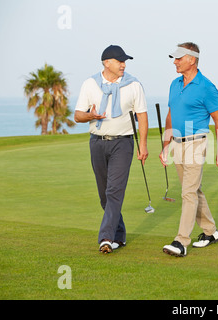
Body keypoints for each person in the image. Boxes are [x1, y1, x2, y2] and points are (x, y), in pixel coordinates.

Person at [74, 45, 149, 254]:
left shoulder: (134, 85)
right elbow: (78, 115)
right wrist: (92, 116)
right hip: (97, 142)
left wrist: (143, 145)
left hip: (122, 143)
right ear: (107, 63)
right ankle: (120, 234)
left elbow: (142, 116)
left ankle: (106, 238)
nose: (123, 65)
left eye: (125, 61)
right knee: (104, 196)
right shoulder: (90, 84)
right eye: (119, 61)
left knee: (114, 191)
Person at [161, 42, 218, 257]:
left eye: (179, 58)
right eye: (175, 58)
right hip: (177, 144)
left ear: (192, 59)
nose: (175, 62)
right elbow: (171, 115)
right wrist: (165, 144)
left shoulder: (206, 87)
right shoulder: (174, 84)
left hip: (196, 143)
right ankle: (210, 231)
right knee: (194, 190)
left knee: (188, 193)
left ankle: (181, 242)